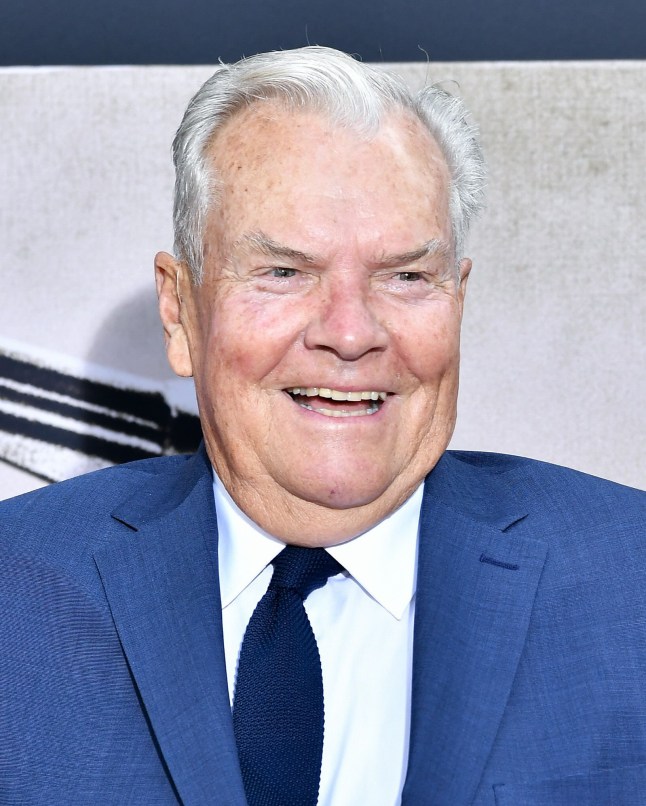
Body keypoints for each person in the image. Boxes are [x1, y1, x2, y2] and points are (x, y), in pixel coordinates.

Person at [1, 46, 645, 806]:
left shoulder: (627, 582)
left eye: (406, 276)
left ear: (458, 301)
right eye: (283, 272)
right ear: (181, 312)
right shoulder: (17, 589)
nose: (349, 332)